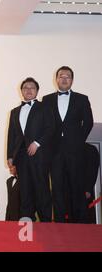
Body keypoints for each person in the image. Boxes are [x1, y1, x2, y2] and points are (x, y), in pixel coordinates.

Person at [42, 66, 94, 223]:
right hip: (54, 151)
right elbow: (44, 124)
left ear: (72, 80)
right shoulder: (47, 99)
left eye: (68, 76)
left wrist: (78, 141)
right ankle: (59, 224)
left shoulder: (82, 99)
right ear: (56, 79)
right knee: (57, 188)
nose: (64, 79)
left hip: (75, 151)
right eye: (61, 76)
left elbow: (88, 123)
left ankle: (80, 224)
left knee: (76, 187)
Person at [7, 77, 54, 222]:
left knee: (41, 189)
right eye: (25, 87)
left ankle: (46, 221)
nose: (28, 90)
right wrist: (10, 157)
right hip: (21, 157)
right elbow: (12, 135)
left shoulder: (45, 107)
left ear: (37, 91)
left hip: (39, 156)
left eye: (32, 87)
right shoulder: (14, 111)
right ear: (21, 91)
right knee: (25, 191)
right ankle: (27, 223)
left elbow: (51, 128)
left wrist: (37, 143)